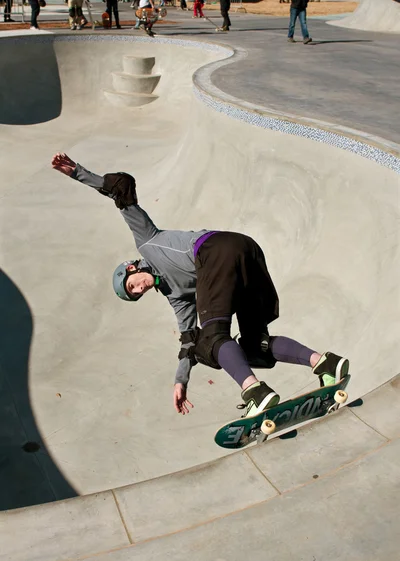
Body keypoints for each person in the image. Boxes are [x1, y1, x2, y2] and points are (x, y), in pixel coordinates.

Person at [51, 153, 349, 416]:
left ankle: (255, 393)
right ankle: (324, 363)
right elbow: (187, 343)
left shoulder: (147, 242)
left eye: (132, 286)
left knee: (214, 338)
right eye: (137, 295)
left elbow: (122, 189)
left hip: (215, 250)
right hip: (246, 255)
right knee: (253, 347)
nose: (139, 289)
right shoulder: (177, 296)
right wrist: (181, 381)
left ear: (130, 269)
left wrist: (78, 173)